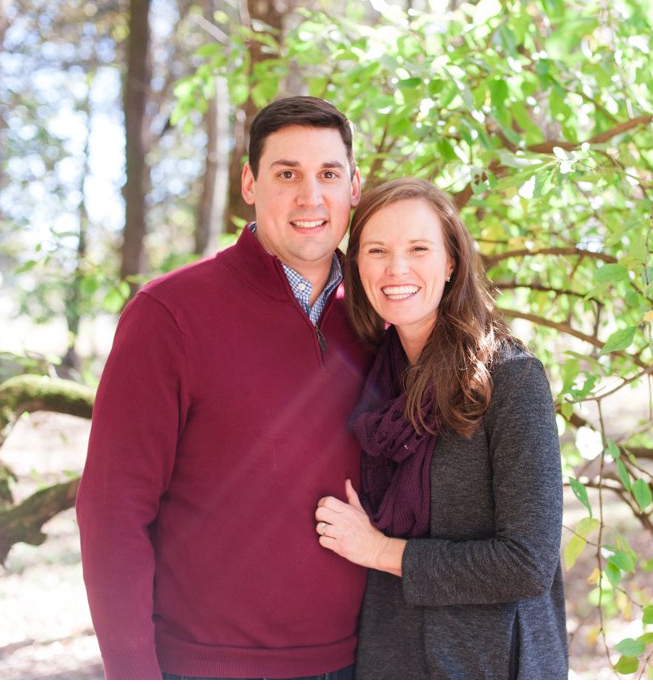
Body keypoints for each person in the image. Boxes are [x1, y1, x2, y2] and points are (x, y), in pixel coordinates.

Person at [76, 96, 372, 679]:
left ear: (354, 187)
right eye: (286, 174)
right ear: (249, 183)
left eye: (328, 174)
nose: (310, 196)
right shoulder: (170, 314)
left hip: (356, 662)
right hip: (206, 665)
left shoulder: (381, 318)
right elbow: (113, 511)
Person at [314, 178, 569, 679]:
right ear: (357, 265)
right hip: (391, 657)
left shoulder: (510, 380)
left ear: (451, 261)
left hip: (491, 661)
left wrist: (378, 550)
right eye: (377, 250)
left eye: (418, 249)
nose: (396, 268)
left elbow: (528, 563)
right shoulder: (373, 382)